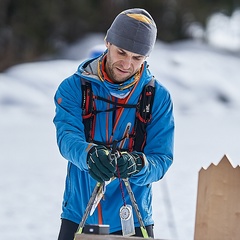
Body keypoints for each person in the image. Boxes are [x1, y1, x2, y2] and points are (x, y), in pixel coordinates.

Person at [53, 8, 174, 239]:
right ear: (108, 42)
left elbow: (162, 158)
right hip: (79, 215)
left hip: (133, 220)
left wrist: (138, 164)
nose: (127, 64)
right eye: (122, 52)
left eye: (137, 57)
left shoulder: (157, 97)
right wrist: (89, 154)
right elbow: (67, 138)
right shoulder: (73, 88)